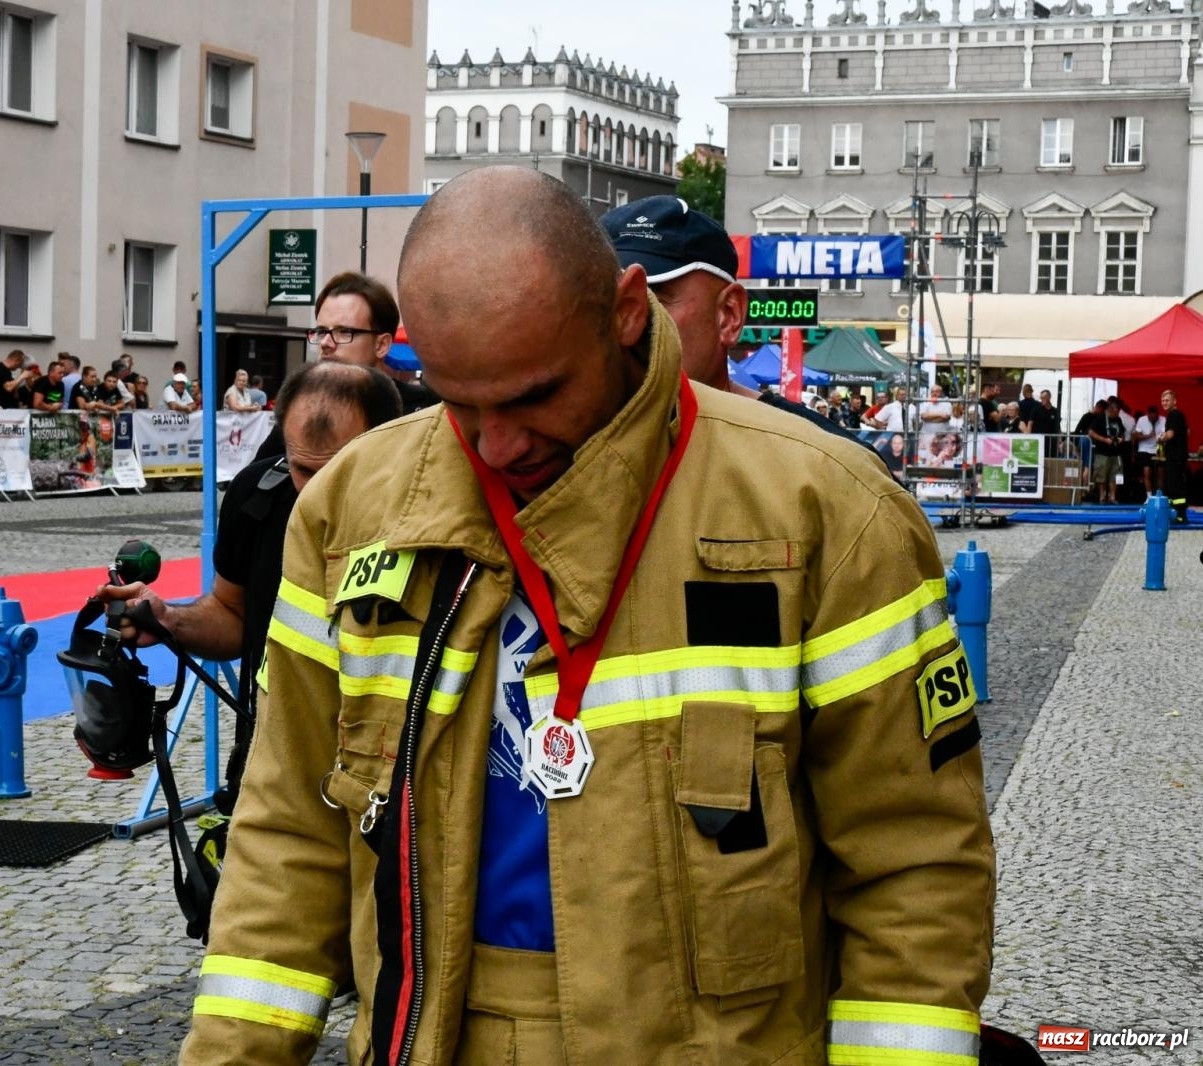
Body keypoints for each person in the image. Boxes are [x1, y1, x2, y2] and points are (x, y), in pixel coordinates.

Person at [180, 167, 993, 1065]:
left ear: (626, 311)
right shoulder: (348, 511)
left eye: (533, 394)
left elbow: (912, 866)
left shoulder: (823, 510)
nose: (497, 443)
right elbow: (288, 835)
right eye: (458, 400)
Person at [97, 362, 404, 812]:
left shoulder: (428, 517)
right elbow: (232, 614)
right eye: (303, 469)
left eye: (340, 471)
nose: (316, 494)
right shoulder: (255, 496)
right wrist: (171, 621)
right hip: (274, 766)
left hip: (392, 779)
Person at [602, 195, 879, 461]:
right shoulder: (573, 451)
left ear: (729, 314)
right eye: (606, 304)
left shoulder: (827, 465)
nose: (626, 324)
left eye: (653, 301)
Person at [310, 272, 437, 414]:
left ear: (382, 345)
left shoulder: (425, 413)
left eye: (345, 331)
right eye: (321, 331)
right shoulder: (300, 412)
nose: (325, 343)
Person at [1158, 389, 1190, 521]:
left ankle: (1180, 516)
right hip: (1179, 456)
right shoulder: (1179, 415)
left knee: (1174, 487)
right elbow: (1188, 432)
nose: (1164, 403)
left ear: (1174, 401)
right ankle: (1174, 514)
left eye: (1167, 400)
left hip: (1175, 457)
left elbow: (1170, 434)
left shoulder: (1173, 415)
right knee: (1172, 486)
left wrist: (1160, 438)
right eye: (1163, 400)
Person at [1086, 399, 1125, 503]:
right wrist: (1104, 440)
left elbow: (1122, 433)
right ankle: (1102, 496)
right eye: (1116, 411)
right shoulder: (1100, 418)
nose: (1117, 413)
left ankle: (1112, 497)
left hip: (1116, 453)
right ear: (1111, 409)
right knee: (1101, 476)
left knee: (1115, 475)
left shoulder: (1118, 419)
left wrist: (1121, 439)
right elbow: (1090, 432)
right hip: (1102, 452)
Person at [1133, 403, 1165, 495]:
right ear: (1147, 415)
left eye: (1155, 417)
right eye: (1151, 418)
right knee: (1147, 472)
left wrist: (1161, 438)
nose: (1153, 419)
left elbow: (1165, 434)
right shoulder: (1141, 420)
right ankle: (1149, 496)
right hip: (1144, 449)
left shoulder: (1163, 420)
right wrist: (1148, 436)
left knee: (1160, 472)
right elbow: (1136, 436)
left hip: (1158, 448)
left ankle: (1159, 495)